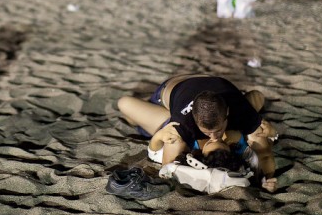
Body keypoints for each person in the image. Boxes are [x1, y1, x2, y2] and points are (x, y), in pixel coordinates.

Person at [117, 74, 278, 192]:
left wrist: (268, 179)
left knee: (258, 97)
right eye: (208, 132)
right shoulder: (183, 125)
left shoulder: (241, 111)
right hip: (170, 91)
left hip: (214, 87)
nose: (215, 137)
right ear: (194, 120)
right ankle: (145, 108)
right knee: (127, 107)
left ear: (227, 113)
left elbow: (265, 155)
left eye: (219, 130)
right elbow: (168, 169)